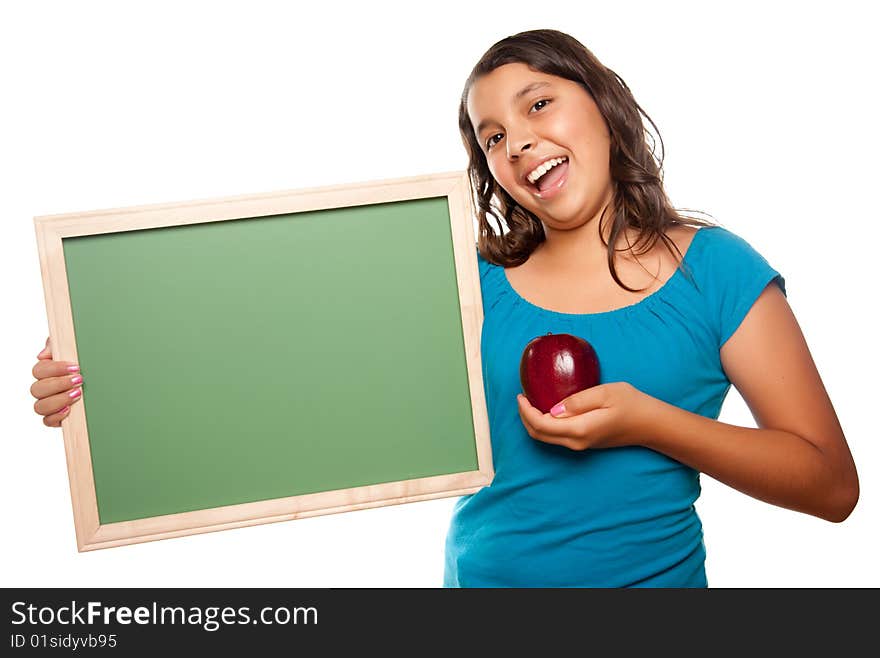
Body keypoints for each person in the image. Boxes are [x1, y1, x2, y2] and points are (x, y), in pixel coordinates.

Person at [30, 28, 859, 588]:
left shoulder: (716, 270)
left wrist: (649, 421)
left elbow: (830, 484)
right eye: (491, 136)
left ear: (603, 105)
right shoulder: (468, 281)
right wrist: (98, 371)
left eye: (538, 104)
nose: (517, 140)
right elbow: (278, 370)